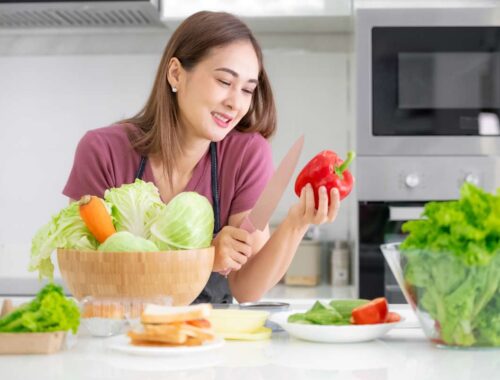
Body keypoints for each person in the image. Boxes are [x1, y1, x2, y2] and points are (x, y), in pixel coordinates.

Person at [63, 11, 340, 304]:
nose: (236, 103)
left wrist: (297, 222)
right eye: (224, 81)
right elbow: (88, 275)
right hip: (120, 334)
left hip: (208, 339)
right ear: (176, 74)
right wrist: (206, 255)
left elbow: (246, 289)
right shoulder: (103, 151)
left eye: (247, 89)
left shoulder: (247, 154)